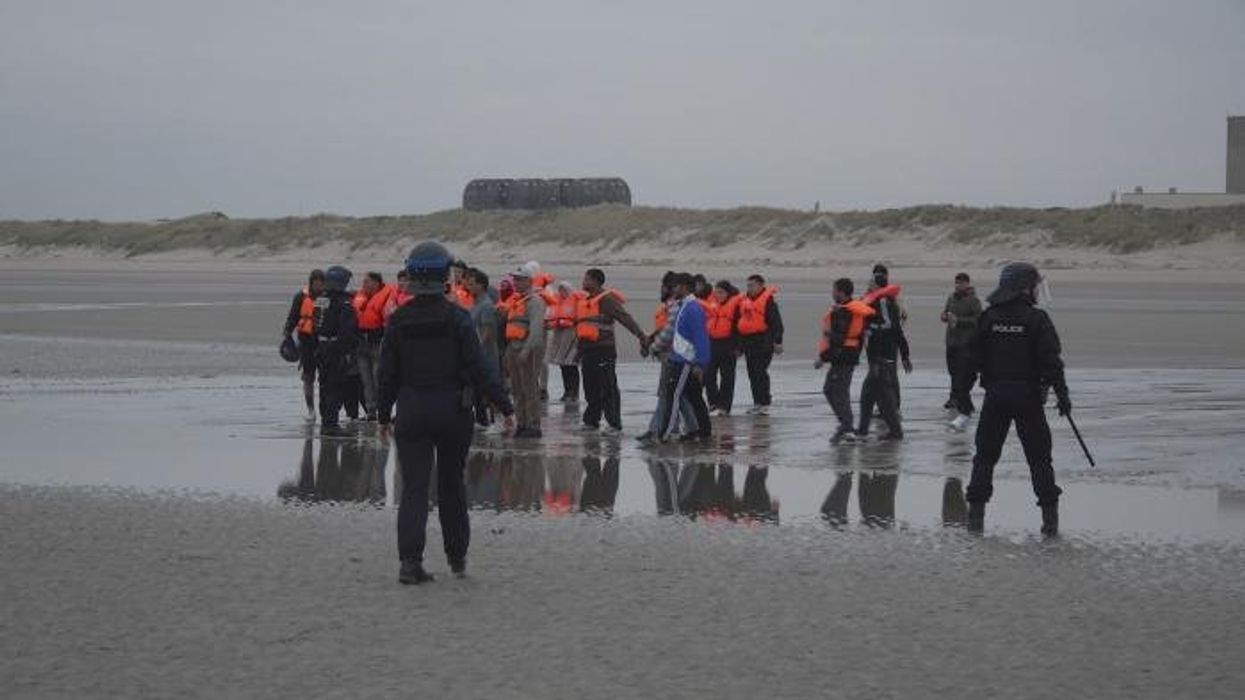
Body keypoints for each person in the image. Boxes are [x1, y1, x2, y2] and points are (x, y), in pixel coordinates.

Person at [377, 241, 515, 585]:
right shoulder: (457, 318)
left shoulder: (398, 320)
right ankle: (457, 559)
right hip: (453, 410)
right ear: (445, 276)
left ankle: (410, 563)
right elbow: (479, 367)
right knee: (452, 485)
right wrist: (505, 407)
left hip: (411, 409)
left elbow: (386, 373)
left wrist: (382, 414)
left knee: (414, 488)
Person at [960, 262, 1069, 536]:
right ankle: (1050, 523)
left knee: (984, 457)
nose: (1036, 292)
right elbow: (1052, 362)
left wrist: (962, 393)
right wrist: (1062, 396)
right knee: (1040, 459)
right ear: (1023, 288)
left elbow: (971, 358)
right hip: (1028, 399)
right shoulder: (1037, 319)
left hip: (996, 397)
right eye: (1034, 286)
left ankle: (975, 520)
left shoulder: (989, 317)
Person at [576, 268, 651, 432]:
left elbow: (624, 318)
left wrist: (641, 335)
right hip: (588, 350)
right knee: (590, 387)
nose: (583, 282)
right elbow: (582, 329)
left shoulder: (606, 300)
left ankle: (614, 423)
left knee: (608, 386)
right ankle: (591, 420)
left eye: (586, 279)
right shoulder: (587, 301)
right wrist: (578, 352)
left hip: (604, 350)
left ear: (595, 281)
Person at [815, 278, 876, 444]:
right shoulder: (848, 309)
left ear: (841, 292)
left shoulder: (843, 312)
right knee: (830, 389)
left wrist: (823, 357)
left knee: (838, 392)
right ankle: (845, 424)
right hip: (847, 355)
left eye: (834, 290)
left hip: (843, 357)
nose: (832, 293)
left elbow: (839, 339)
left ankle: (847, 428)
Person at [857, 265, 911, 441]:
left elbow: (892, 327)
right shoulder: (872, 300)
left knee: (879, 392)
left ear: (877, 285)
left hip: (884, 352)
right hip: (876, 353)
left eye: (871, 282)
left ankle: (893, 430)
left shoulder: (883, 302)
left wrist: (904, 355)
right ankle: (865, 429)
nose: (869, 284)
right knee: (871, 392)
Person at [659, 273, 712, 441]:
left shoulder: (693, 308)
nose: (673, 289)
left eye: (676, 286)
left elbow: (701, 337)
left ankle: (665, 434)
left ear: (684, 287)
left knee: (673, 396)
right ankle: (702, 432)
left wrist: (700, 363)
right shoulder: (683, 306)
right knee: (694, 397)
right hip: (680, 358)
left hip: (685, 361)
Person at [501, 266, 547, 438]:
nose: (516, 282)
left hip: (527, 349)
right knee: (517, 389)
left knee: (529, 388)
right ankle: (522, 423)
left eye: (519, 279)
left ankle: (534, 426)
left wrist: (526, 351)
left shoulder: (535, 302)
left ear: (529, 281)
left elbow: (536, 331)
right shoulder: (517, 302)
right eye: (515, 279)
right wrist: (508, 353)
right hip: (513, 348)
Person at [314, 266, 358, 436]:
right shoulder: (345, 304)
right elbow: (347, 331)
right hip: (336, 349)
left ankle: (326, 421)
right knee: (335, 387)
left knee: (324, 385)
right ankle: (331, 425)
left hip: (321, 347)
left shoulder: (321, 300)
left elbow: (315, 325)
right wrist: (347, 352)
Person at [352, 272, 396, 421]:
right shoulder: (359, 297)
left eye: (367, 281)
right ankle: (371, 411)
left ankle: (384, 410)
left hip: (377, 343)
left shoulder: (387, 296)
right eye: (363, 281)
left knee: (379, 378)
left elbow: (389, 319)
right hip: (361, 343)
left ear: (376, 283)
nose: (364, 284)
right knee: (366, 380)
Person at [737, 274, 783, 415]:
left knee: (759, 372)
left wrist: (778, 342)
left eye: (752, 285)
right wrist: (739, 346)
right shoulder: (745, 301)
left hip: (764, 342)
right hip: (748, 343)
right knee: (752, 373)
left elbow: (776, 323)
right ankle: (757, 403)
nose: (749, 288)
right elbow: (741, 323)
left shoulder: (768, 302)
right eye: (748, 285)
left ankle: (764, 402)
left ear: (761, 286)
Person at [282, 269, 325, 419]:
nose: (318, 286)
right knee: (308, 377)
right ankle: (311, 410)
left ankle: (325, 408)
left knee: (325, 377)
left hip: (323, 342)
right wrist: (287, 333)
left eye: (321, 283)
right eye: (316, 283)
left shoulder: (326, 297)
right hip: (306, 341)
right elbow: (293, 317)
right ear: (311, 283)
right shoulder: (300, 297)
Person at [943, 272, 983, 431]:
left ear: (967, 284)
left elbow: (978, 320)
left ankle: (962, 400)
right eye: (956, 283)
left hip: (965, 343)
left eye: (960, 283)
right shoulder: (951, 298)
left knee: (962, 373)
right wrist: (945, 316)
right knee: (952, 371)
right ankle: (954, 397)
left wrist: (959, 321)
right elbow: (946, 312)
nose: (957, 286)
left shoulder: (973, 300)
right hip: (951, 341)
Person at [463, 267, 501, 427]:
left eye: (472, 284)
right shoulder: (475, 304)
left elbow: (487, 333)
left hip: (484, 356)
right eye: (468, 284)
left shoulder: (486, 305)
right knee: (476, 393)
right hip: (475, 356)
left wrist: (475, 352)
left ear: (481, 285)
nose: (468, 287)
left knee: (485, 392)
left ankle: (488, 423)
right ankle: (480, 420)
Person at [704, 280, 742, 416]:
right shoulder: (712, 304)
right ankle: (713, 402)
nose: (718, 295)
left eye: (721, 292)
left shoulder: (736, 306)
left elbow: (740, 328)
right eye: (716, 292)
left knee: (727, 378)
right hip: (712, 343)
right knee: (708, 376)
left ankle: (725, 406)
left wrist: (738, 347)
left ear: (728, 293)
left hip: (729, 345)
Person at [543, 280, 582, 403]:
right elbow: (549, 317)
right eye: (560, 290)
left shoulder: (577, 301)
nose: (562, 292)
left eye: (564, 290)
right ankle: (567, 391)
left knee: (571, 364)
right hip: (559, 335)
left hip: (572, 335)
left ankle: (574, 392)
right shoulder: (556, 301)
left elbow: (580, 317)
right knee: (563, 365)